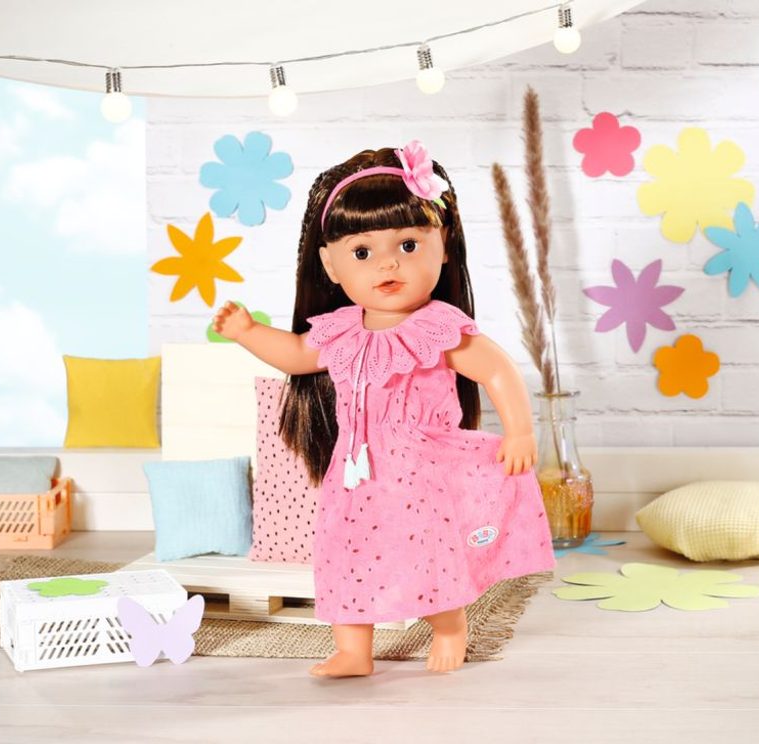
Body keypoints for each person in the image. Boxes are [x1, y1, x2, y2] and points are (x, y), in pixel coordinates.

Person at [212, 140, 556, 678]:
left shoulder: (436, 329)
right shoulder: (341, 332)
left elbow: (496, 370)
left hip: (424, 475)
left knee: (431, 553)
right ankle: (353, 649)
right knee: (344, 556)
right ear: (330, 265)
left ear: (444, 246)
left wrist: (520, 432)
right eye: (362, 252)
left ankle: (449, 627)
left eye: (409, 245)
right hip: (354, 480)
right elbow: (297, 355)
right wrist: (248, 332)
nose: (388, 263)